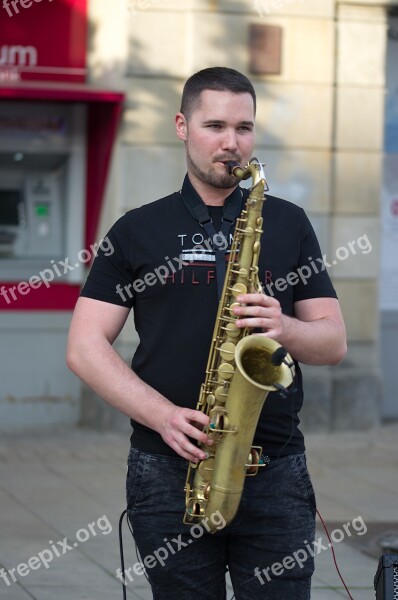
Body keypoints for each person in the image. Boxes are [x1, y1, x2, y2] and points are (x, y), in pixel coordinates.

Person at [66, 67, 347, 600]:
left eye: (244, 128)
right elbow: (84, 347)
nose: (231, 143)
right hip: (169, 470)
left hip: (275, 468)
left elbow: (333, 342)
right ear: (181, 126)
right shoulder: (135, 229)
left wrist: (282, 325)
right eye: (214, 125)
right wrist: (162, 416)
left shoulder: (288, 223)